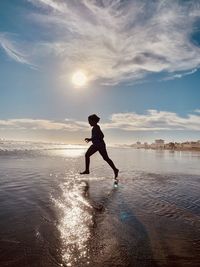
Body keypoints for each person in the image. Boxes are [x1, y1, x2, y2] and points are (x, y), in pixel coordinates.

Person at [80, 114, 119, 181]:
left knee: (102, 157)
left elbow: (102, 135)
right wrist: (90, 139)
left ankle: (87, 170)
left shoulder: (96, 127)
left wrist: (92, 139)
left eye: (89, 121)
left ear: (94, 121)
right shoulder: (94, 128)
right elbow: (96, 136)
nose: (89, 122)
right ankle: (115, 169)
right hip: (97, 145)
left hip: (99, 145)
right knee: (104, 158)